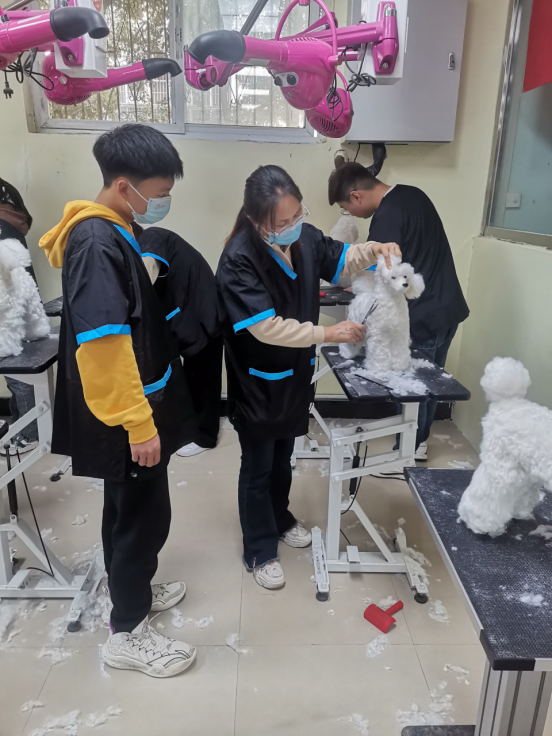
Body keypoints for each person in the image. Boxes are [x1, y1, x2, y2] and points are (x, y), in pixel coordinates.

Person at [39, 124, 198, 678]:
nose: (163, 201)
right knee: (142, 518)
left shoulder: (116, 228)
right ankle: (127, 632)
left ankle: (131, 589)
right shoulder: (96, 241)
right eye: (159, 192)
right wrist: (138, 424)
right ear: (124, 185)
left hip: (134, 404)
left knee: (126, 508)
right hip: (126, 413)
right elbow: (104, 346)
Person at [216, 165, 401, 590]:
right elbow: (266, 327)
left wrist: (374, 250)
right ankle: (259, 548)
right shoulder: (239, 258)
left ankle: (280, 518)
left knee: (284, 456)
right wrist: (328, 334)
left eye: (297, 214)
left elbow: (341, 259)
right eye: (282, 222)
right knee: (258, 466)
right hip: (259, 380)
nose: (293, 225)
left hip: (294, 375)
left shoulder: (305, 237)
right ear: (256, 221)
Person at [328, 162, 469, 462]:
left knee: (412, 388)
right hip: (447, 306)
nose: (350, 213)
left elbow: (382, 270)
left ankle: (405, 455)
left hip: (422, 314)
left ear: (355, 196)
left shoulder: (386, 217)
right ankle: (417, 444)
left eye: (345, 207)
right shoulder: (412, 195)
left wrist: (360, 288)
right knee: (429, 382)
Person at [137, 226, 222, 457]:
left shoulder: (150, 237)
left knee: (204, 377)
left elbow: (144, 279)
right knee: (195, 376)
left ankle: (205, 437)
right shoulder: (155, 240)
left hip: (202, 316)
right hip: (193, 316)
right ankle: (194, 428)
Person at [0, 177, 40, 454]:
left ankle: (29, 434)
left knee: (17, 372)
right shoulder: (10, 218)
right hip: (20, 306)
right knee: (16, 370)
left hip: (10, 310)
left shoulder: (2, 229)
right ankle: (22, 426)